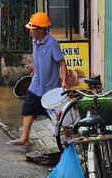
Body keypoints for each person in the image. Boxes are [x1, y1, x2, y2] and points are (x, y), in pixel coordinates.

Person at [7, 12, 68, 146]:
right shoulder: (35, 41)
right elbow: (37, 58)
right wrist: (33, 72)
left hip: (50, 88)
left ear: (41, 29)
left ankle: (66, 141)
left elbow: (62, 63)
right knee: (27, 109)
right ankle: (24, 138)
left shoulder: (52, 44)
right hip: (35, 86)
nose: (30, 32)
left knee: (57, 116)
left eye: (32, 29)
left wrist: (64, 81)